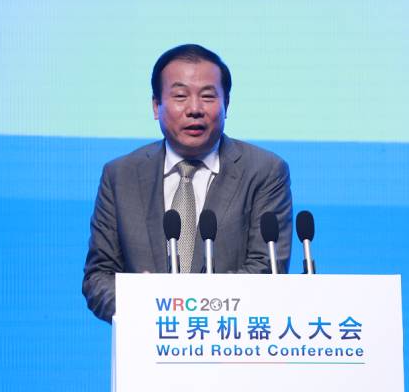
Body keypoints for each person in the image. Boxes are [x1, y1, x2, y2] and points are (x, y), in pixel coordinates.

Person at [83, 44, 292, 323]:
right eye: (180, 96)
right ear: (156, 106)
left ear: (226, 105)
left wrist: (182, 309)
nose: (194, 109)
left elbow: (267, 268)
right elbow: (99, 277)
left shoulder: (264, 171)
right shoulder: (120, 176)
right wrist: (141, 306)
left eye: (208, 96)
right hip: (148, 341)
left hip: (230, 340)